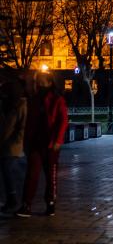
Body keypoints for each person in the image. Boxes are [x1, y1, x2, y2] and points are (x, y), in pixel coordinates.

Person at [16, 72, 68, 218]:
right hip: (36, 142)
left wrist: (58, 140)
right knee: (32, 174)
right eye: (37, 81)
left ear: (49, 82)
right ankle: (26, 205)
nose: (38, 83)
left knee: (50, 174)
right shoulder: (34, 98)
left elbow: (63, 120)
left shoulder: (57, 99)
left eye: (41, 81)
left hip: (50, 143)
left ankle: (50, 203)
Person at [0, 80, 27, 213]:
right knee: (8, 172)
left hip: (12, 144)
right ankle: (13, 198)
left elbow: (11, 125)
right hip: (10, 143)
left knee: (8, 172)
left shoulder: (19, 105)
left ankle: (13, 199)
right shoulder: (13, 104)